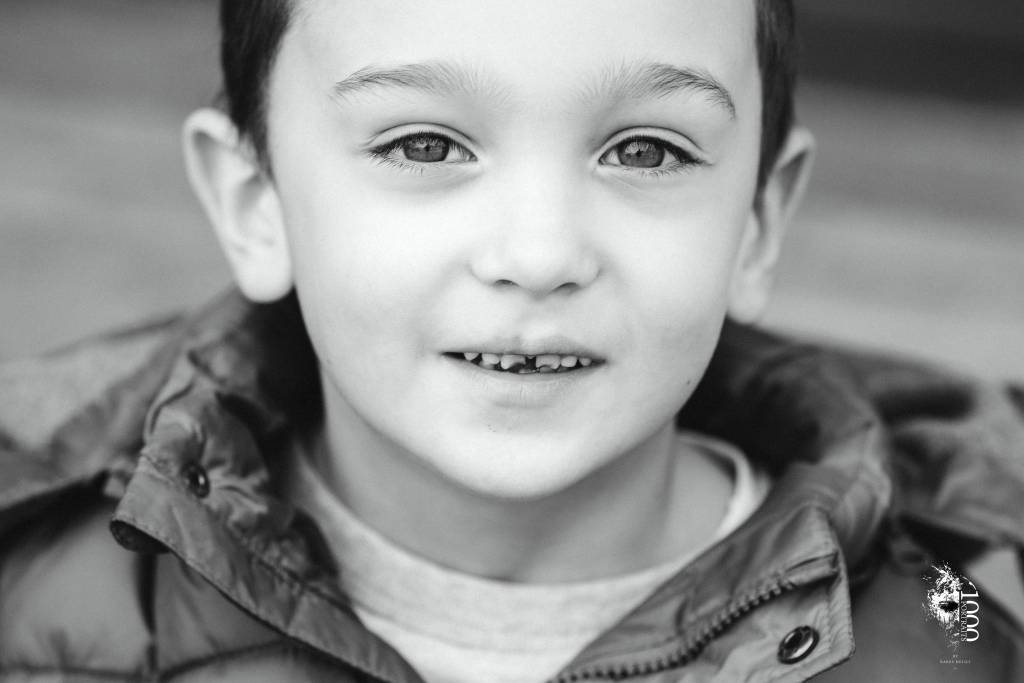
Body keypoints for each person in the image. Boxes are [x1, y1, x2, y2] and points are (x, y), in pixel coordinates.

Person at [1, 0, 1022, 680]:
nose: (539, 254)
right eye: (423, 142)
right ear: (255, 203)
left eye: (646, 150)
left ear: (757, 220)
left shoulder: (954, 630)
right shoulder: (35, 591)